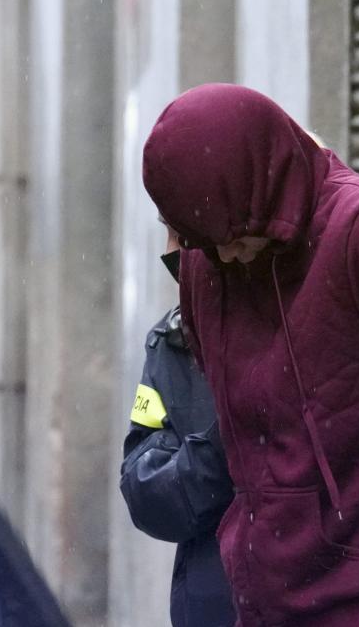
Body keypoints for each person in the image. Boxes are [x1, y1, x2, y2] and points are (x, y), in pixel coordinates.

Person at [141, 83, 359, 627]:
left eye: (233, 232)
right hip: (262, 601)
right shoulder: (206, 264)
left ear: (265, 181)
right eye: (205, 240)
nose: (226, 254)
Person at [119, 220, 236, 627]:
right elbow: (143, 487)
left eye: (182, 233)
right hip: (211, 608)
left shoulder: (308, 331)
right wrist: (224, 445)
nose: (171, 251)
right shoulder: (172, 341)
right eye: (166, 231)